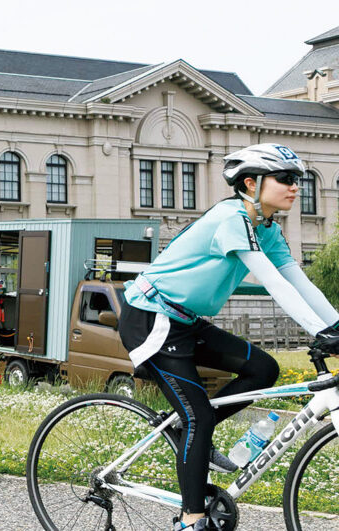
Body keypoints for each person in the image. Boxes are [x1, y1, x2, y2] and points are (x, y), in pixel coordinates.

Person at [116, 144, 339, 531]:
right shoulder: (231, 218)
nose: (294, 187)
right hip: (151, 317)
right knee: (198, 415)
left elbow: (297, 281)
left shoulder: (265, 227)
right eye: (285, 179)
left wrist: (335, 325)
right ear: (251, 183)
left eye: (297, 180)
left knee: (262, 369)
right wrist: (320, 333)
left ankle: (187, 428)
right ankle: (192, 518)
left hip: (184, 320)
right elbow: (272, 284)